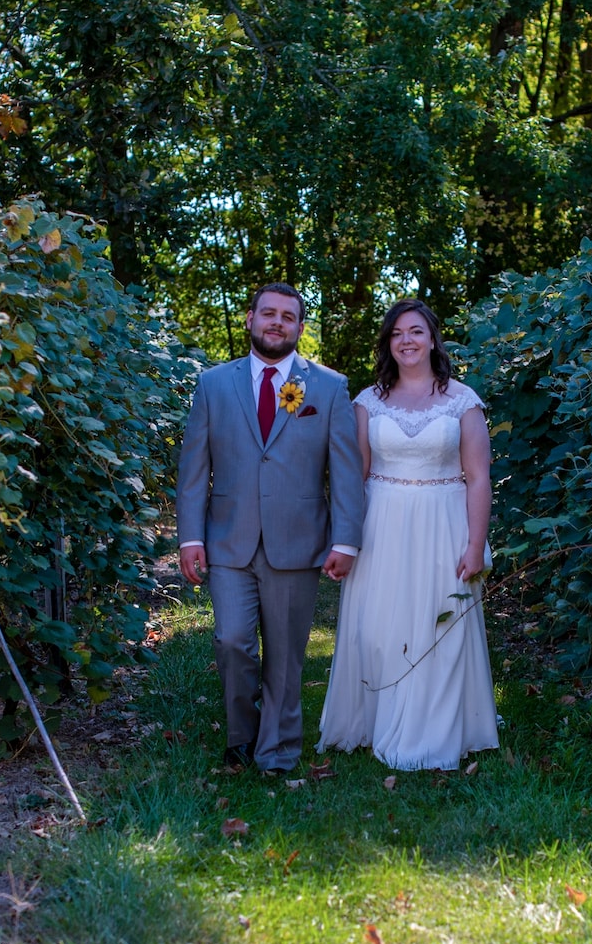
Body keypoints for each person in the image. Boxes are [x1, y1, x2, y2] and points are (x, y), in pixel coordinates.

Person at [176, 283, 365, 774]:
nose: (277, 322)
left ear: (300, 327)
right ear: (250, 319)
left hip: (297, 540)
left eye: (288, 316)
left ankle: (278, 750)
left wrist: (345, 539)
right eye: (268, 314)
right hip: (228, 541)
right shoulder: (214, 384)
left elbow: (344, 471)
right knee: (231, 640)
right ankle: (242, 736)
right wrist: (190, 537)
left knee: (285, 655)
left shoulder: (327, 387)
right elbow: (194, 468)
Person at [318, 299, 499, 770]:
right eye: (397, 333)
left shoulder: (463, 399)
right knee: (377, 628)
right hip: (381, 523)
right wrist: (346, 539)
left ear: (433, 338)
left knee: (437, 624)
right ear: (387, 342)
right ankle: (375, 720)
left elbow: (478, 477)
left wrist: (475, 544)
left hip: (443, 523)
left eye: (416, 331)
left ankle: (433, 733)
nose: (407, 341)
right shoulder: (367, 402)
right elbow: (354, 474)